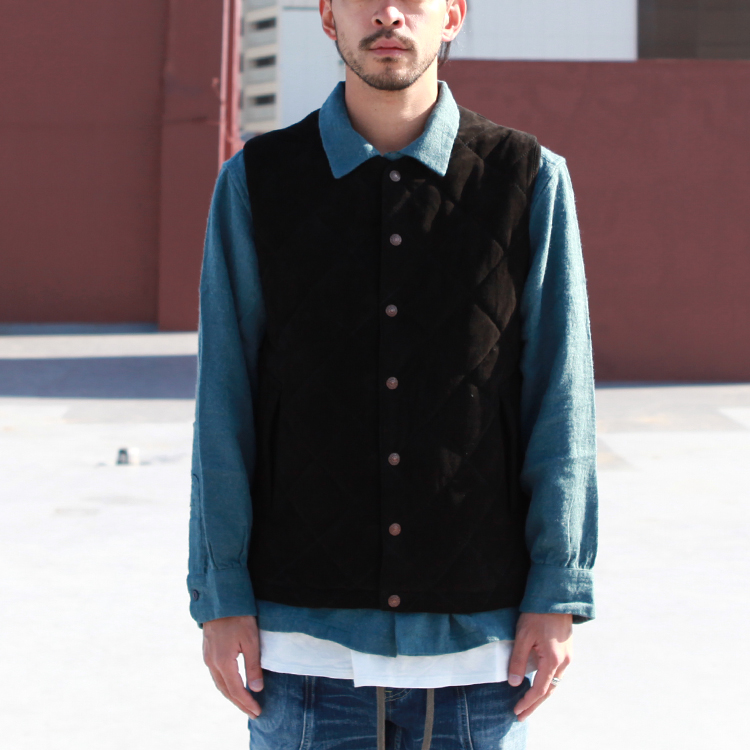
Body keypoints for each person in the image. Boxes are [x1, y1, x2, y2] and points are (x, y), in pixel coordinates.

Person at [187, 1, 598, 748]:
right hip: (300, 656)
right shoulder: (256, 181)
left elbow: (560, 406)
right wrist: (220, 594)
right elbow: (224, 405)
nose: (386, 13)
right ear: (327, 16)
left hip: (481, 657)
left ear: (453, 15)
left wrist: (557, 590)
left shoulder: (531, 179)